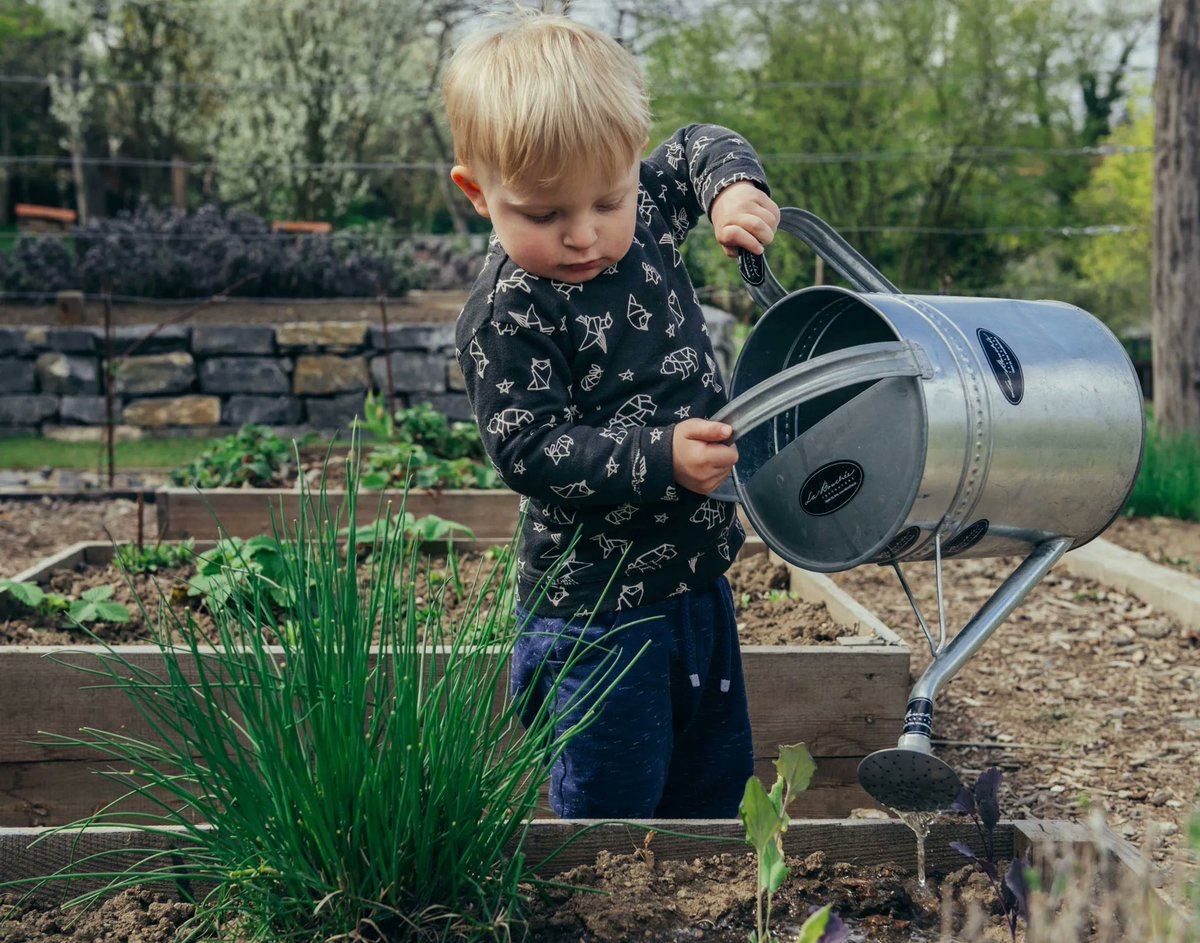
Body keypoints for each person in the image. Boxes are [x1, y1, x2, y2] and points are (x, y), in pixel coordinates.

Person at [443, 9, 780, 819]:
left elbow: (702, 142)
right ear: (477, 193)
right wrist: (660, 456)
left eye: (607, 198)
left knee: (712, 782)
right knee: (613, 806)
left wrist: (734, 189)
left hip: (699, 580)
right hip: (596, 613)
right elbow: (530, 448)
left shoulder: (652, 208)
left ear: (632, 165)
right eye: (543, 214)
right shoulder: (509, 311)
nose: (584, 234)